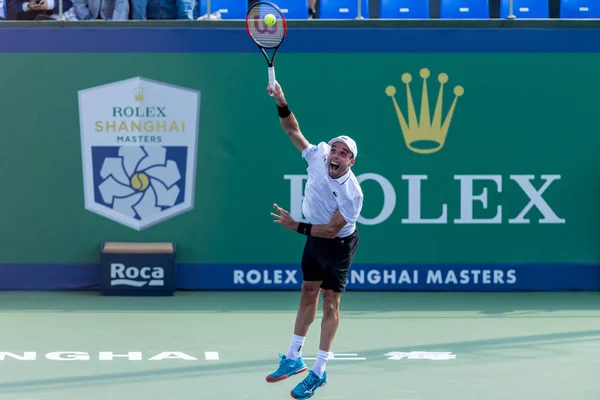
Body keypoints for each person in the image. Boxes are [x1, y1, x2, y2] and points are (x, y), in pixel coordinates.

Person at [266, 81, 364, 399]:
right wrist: (282, 101)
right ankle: (293, 358)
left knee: (330, 304)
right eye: (334, 149)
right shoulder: (317, 159)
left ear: (351, 162)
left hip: (337, 245)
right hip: (313, 237)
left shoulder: (352, 193)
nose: (336, 154)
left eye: (344, 153)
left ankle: (319, 372)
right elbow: (293, 131)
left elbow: (333, 229)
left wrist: (297, 227)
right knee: (308, 292)